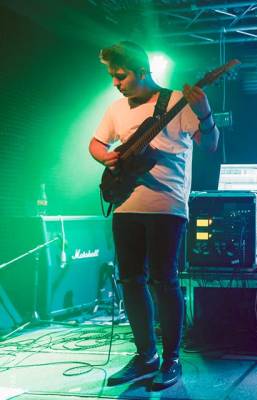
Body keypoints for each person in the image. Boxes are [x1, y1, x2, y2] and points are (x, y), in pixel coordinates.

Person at [88, 41, 219, 390]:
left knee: (164, 280)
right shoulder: (116, 108)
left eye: (121, 75)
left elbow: (210, 145)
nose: (116, 83)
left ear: (142, 71)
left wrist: (205, 113)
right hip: (126, 204)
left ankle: (171, 359)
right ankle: (145, 355)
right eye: (112, 76)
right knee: (130, 280)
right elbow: (96, 143)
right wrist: (105, 157)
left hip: (167, 205)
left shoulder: (176, 102)